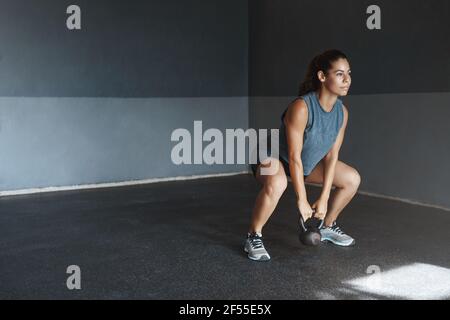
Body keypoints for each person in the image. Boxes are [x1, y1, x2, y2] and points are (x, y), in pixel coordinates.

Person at [245, 49, 361, 261]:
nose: (347, 80)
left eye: (349, 73)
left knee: (351, 178)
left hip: (303, 163)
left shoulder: (342, 113)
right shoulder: (302, 107)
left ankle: (327, 226)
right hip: (271, 156)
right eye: (339, 74)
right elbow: (293, 156)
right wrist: (302, 200)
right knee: (278, 182)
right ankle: (254, 235)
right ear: (322, 76)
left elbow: (332, 156)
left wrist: (324, 198)